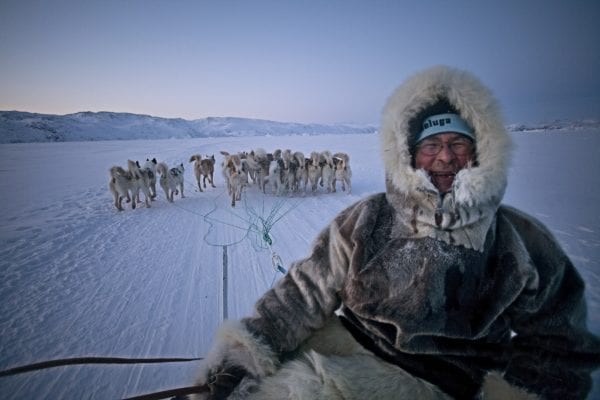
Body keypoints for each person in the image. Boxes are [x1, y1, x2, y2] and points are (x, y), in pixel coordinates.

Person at [191, 66, 600, 399]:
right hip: (346, 345)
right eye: (431, 144)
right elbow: (305, 290)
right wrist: (247, 349)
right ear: (409, 153)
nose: (444, 156)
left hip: (439, 380)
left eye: (458, 143)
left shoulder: (518, 239)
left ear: (480, 151)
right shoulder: (367, 219)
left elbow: (560, 344)